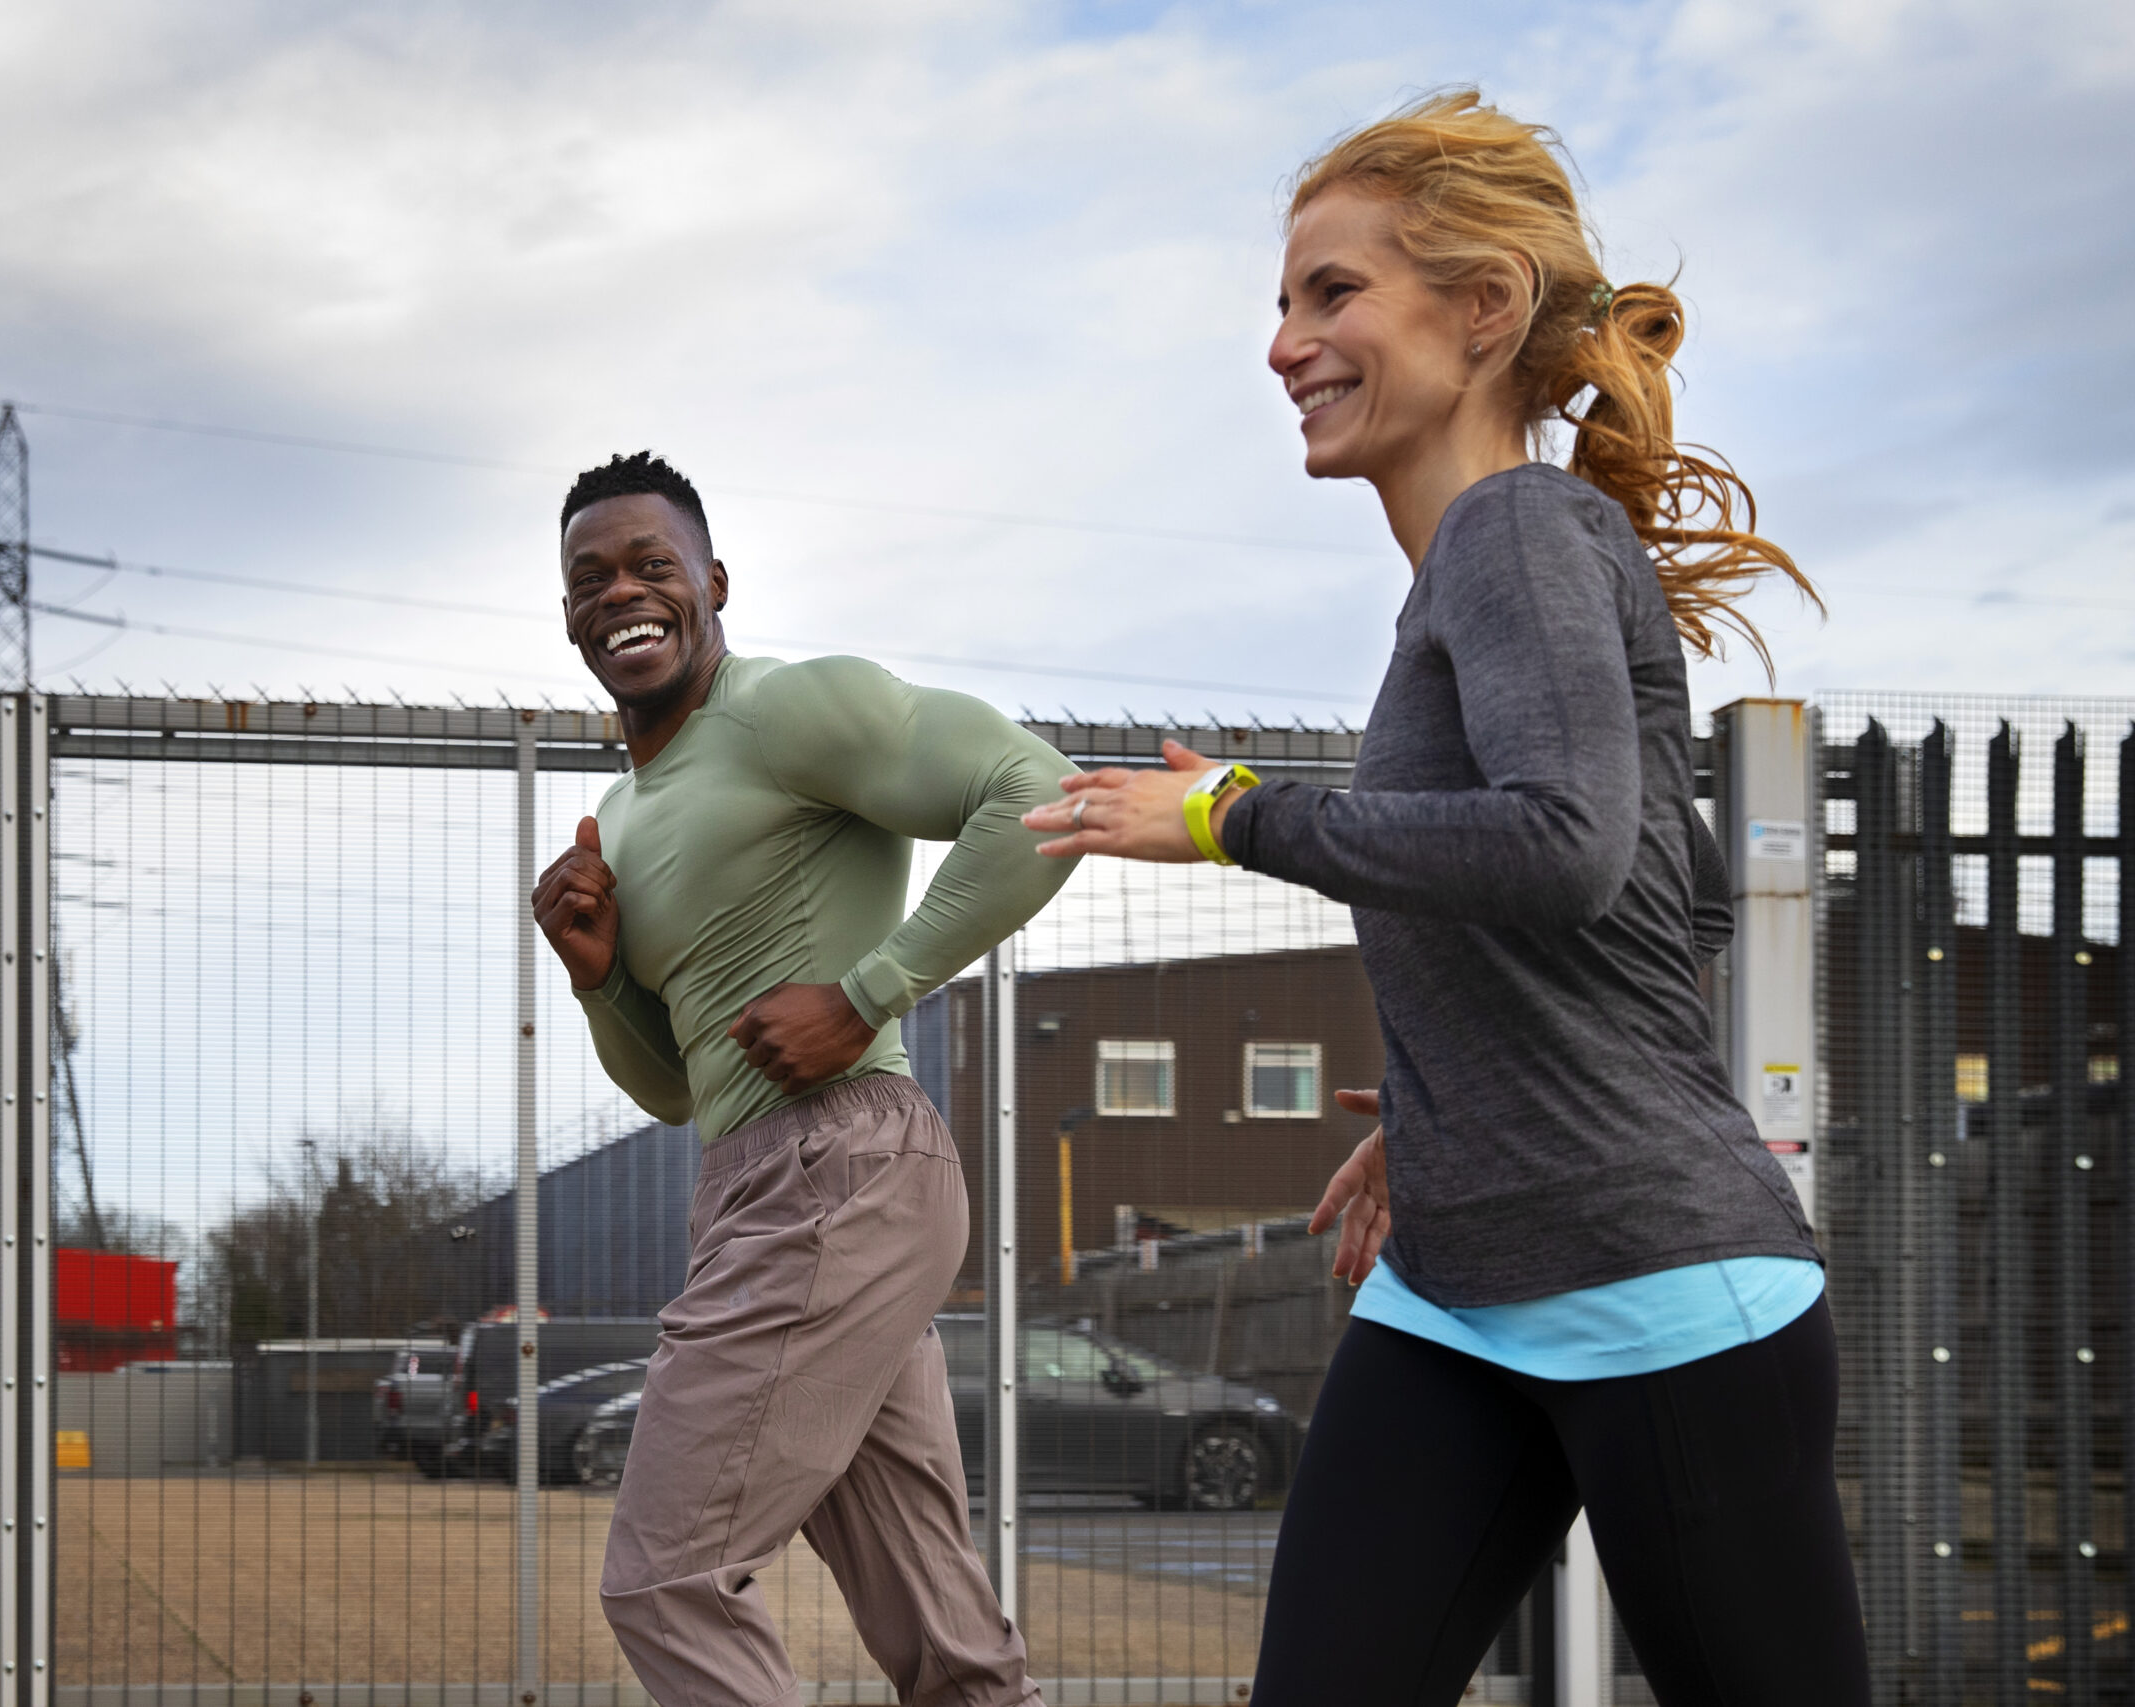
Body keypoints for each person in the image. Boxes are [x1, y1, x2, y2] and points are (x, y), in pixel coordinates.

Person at [1020, 92, 1866, 1706]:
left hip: (1660, 1287)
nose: (1284, 343)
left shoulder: (1518, 530)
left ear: (1482, 309)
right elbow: (1678, 897)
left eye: (1331, 292)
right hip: (1459, 1293)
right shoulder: (1481, 572)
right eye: (1283, 301)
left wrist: (1231, 816)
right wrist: (1448, 1104)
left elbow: (1563, 846)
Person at [531, 450, 1073, 1707]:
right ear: (568, 615)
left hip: (840, 1166)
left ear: (713, 582)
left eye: (651, 565)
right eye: (591, 579)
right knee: (946, 1646)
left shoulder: (784, 709)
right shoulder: (624, 816)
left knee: (664, 1578)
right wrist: (599, 977)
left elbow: (1035, 791)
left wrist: (869, 992)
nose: (622, 594)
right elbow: (679, 1090)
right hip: (757, 1185)